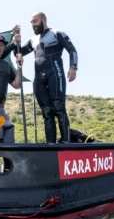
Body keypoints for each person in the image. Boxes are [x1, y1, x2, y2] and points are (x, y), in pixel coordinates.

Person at [18, 12, 78, 143]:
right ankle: (50, 143)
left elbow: (72, 50)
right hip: (39, 78)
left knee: (58, 106)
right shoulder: (33, 40)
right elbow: (19, 52)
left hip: (55, 73)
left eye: (35, 21)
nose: (33, 25)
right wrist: (15, 41)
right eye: (31, 22)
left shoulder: (57, 33)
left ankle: (65, 141)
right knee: (46, 111)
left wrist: (73, 67)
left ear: (43, 20)